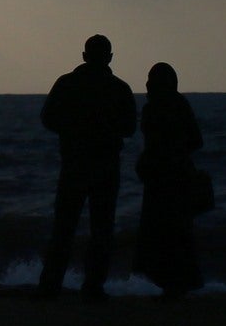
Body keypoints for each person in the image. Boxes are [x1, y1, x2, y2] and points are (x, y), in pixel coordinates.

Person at [37, 33, 137, 301]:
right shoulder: (119, 88)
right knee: (102, 229)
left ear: (84, 56)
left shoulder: (67, 84)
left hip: (74, 164)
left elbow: (47, 118)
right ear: (109, 57)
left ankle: (50, 285)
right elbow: (129, 128)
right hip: (105, 166)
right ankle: (92, 286)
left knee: (64, 227)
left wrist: (71, 131)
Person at [134, 62, 205, 299]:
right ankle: (179, 283)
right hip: (177, 176)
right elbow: (196, 140)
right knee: (178, 232)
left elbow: (154, 144)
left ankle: (170, 283)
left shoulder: (152, 109)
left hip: (160, 179)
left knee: (161, 231)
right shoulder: (179, 104)